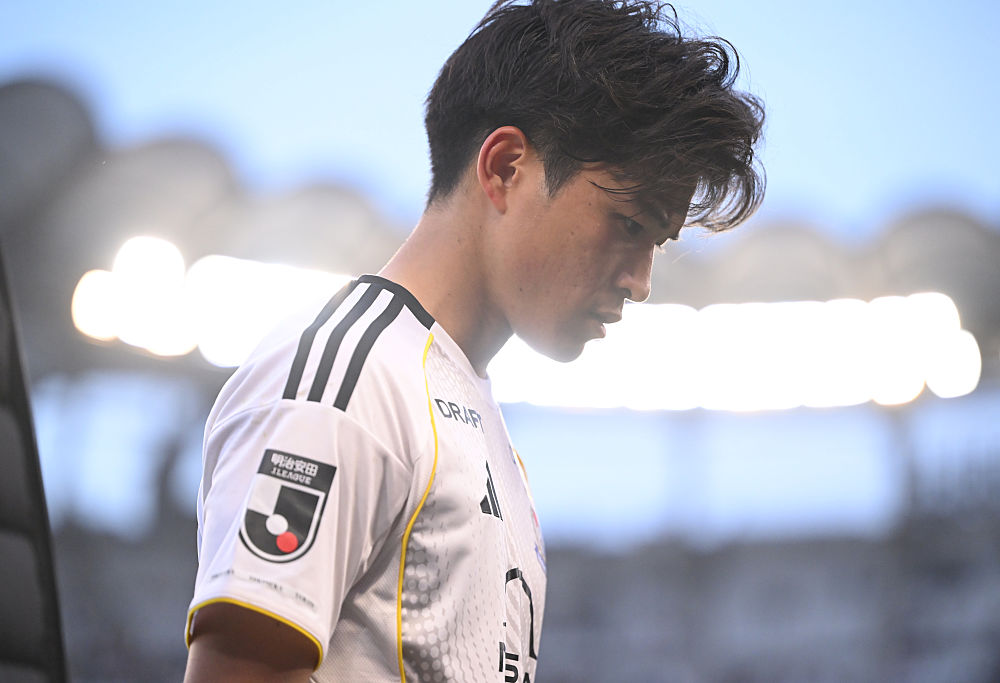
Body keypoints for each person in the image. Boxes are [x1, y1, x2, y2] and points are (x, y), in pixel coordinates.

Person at [182, 0, 764, 680]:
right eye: (629, 224)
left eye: (658, 245)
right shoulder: (347, 383)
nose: (640, 283)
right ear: (505, 167)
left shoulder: (467, 411)